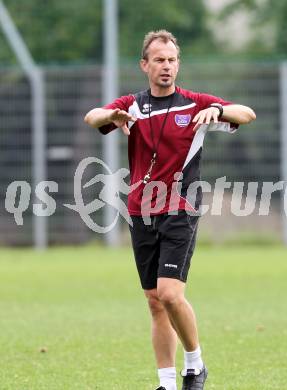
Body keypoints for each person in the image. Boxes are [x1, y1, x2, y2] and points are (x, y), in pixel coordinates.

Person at [84, 30, 256, 390]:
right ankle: (166, 383)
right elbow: (92, 117)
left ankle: (195, 364)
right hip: (140, 209)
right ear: (144, 65)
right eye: (159, 60)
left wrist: (219, 109)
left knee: (170, 293)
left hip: (180, 205)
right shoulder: (133, 104)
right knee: (154, 301)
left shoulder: (194, 103)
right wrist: (111, 115)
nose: (167, 66)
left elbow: (247, 113)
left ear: (179, 63)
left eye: (172, 60)